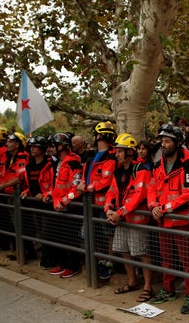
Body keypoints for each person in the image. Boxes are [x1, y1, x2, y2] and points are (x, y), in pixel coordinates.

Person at [148, 124, 189, 314]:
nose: (163, 144)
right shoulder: (158, 165)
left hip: (181, 221)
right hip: (163, 221)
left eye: (167, 141)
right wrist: (153, 206)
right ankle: (168, 290)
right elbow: (151, 188)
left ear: (177, 143)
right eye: (162, 141)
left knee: (187, 261)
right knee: (165, 258)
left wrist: (166, 207)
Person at [105, 133, 154, 303]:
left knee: (142, 252)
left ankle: (148, 286)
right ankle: (132, 281)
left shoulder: (141, 170)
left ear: (129, 152)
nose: (117, 154)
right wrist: (108, 209)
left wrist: (120, 213)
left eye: (120, 151)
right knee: (124, 251)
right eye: (117, 151)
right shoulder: (118, 172)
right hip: (122, 219)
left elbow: (139, 195)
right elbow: (111, 191)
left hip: (136, 220)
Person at [77, 122, 118, 280]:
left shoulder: (111, 157)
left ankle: (110, 262)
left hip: (103, 203)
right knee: (92, 234)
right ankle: (100, 260)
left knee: (109, 235)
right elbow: (85, 175)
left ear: (100, 136)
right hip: (90, 203)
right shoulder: (91, 157)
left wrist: (87, 187)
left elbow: (106, 181)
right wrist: (83, 185)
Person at [47, 132, 84, 279]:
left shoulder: (73, 161)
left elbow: (76, 189)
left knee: (71, 238)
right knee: (58, 237)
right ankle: (62, 264)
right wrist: (50, 195)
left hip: (70, 208)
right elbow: (58, 185)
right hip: (58, 206)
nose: (51, 149)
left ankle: (73, 266)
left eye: (53, 146)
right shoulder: (59, 162)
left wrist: (64, 202)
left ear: (61, 146)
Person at [21, 136, 56, 267]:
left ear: (42, 148)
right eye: (31, 147)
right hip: (34, 203)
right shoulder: (29, 166)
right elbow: (30, 184)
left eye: (35, 146)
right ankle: (43, 256)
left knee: (47, 232)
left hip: (47, 204)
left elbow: (55, 184)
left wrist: (46, 194)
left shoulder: (51, 164)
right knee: (40, 231)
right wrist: (26, 192)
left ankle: (49, 259)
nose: (32, 149)